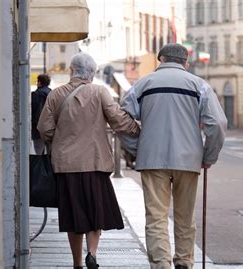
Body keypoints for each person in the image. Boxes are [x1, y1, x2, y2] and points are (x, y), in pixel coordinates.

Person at [120, 43, 227, 269]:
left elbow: (121, 118)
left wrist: (136, 147)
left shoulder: (143, 84)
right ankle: (184, 262)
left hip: (152, 158)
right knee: (185, 217)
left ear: (161, 60)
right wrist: (208, 155)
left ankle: (161, 264)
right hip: (188, 159)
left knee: (156, 216)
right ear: (185, 63)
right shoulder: (199, 85)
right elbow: (217, 123)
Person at [37, 53, 140, 269]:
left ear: (72, 70)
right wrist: (138, 129)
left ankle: (77, 263)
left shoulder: (56, 95)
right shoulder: (100, 92)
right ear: (91, 73)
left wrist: (60, 140)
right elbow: (118, 119)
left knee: (73, 216)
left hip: (66, 166)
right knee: (95, 212)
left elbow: (44, 128)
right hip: (95, 163)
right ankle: (92, 253)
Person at [31, 74, 52, 154]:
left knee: (39, 154)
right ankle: (48, 166)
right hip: (50, 128)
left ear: (39, 82)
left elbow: (32, 111)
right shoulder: (53, 94)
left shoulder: (35, 95)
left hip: (37, 129)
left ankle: (40, 166)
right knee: (50, 154)